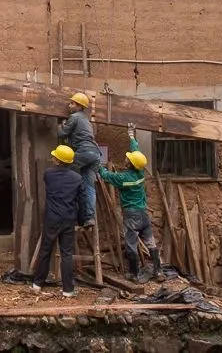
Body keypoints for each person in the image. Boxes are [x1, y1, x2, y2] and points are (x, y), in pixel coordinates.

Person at [98, 124, 163, 283]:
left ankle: (134, 274)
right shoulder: (140, 171)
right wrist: (132, 135)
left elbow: (106, 175)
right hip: (143, 212)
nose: (126, 157)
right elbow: (136, 152)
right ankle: (159, 271)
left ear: (129, 164)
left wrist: (96, 162)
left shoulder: (123, 178)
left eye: (128, 158)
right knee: (150, 242)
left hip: (131, 214)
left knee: (131, 244)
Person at [30, 144, 86, 298]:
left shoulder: (49, 174)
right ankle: (68, 290)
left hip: (52, 219)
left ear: (58, 160)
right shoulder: (77, 178)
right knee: (67, 254)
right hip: (68, 219)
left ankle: (37, 284)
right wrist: (81, 220)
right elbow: (82, 201)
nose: (53, 158)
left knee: (46, 250)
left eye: (55, 156)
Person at [57, 92, 100, 227]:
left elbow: (62, 133)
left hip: (84, 151)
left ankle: (65, 210)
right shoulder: (86, 120)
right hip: (95, 154)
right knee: (89, 187)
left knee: (64, 174)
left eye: (72, 103)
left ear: (80, 106)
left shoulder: (74, 117)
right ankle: (90, 218)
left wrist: (60, 125)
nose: (70, 105)